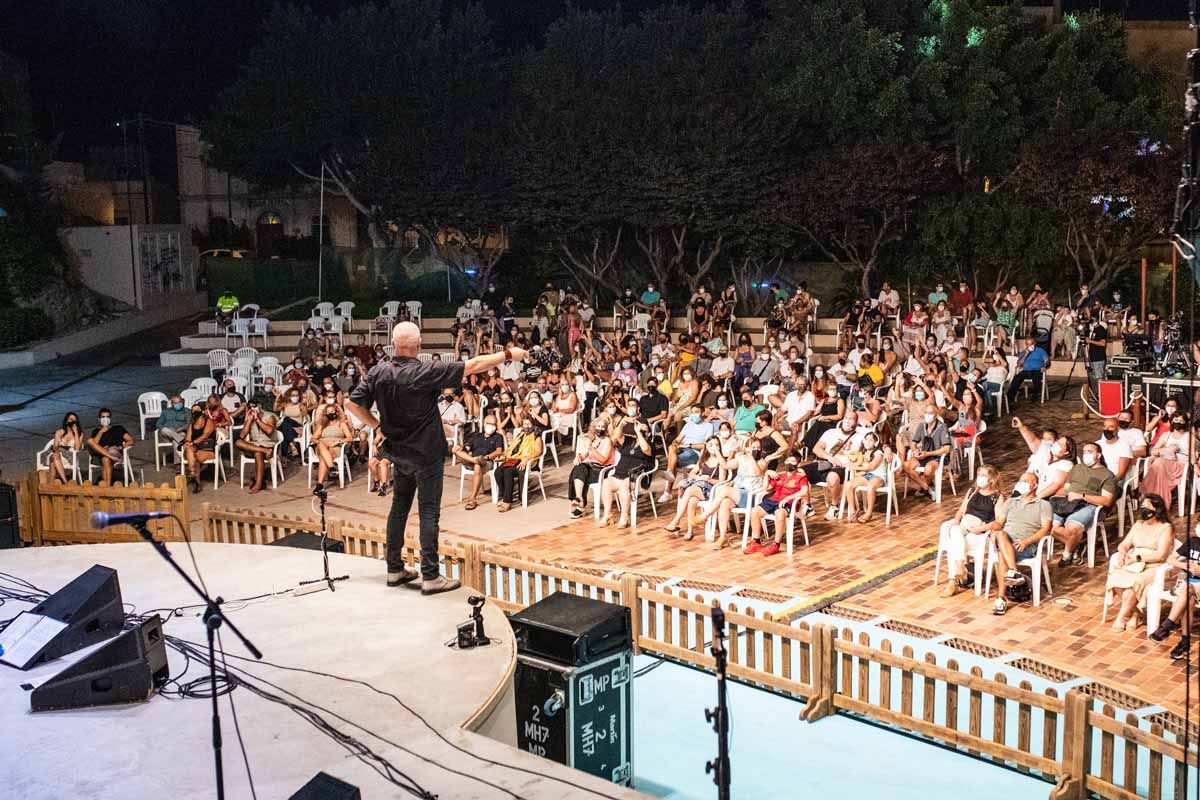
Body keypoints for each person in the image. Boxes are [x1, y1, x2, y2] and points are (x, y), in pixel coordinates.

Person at [345, 321, 526, 595]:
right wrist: (510, 354)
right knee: (428, 512)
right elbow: (474, 365)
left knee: (399, 508)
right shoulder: (424, 370)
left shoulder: (378, 371)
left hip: (399, 452)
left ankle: (394, 569)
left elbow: (351, 403)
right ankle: (430, 575)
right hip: (427, 454)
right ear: (419, 345)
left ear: (393, 344)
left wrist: (376, 426)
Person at [1105, 493, 1174, 632]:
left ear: (1157, 510)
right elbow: (1124, 544)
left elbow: (1161, 555)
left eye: (1147, 508)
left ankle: (1122, 617)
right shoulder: (1138, 525)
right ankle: (1136, 613)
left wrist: (1138, 558)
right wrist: (1123, 552)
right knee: (1115, 578)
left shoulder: (1166, 528)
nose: (1144, 511)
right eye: (1142, 507)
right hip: (1134, 563)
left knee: (1133, 584)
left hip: (1153, 565)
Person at [990, 471, 1053, 615]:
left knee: (1001, 553)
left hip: (1026, 545)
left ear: (1034, 485)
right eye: (1020, 479)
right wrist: (993, 530)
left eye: (1026, 481)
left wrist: (1027, 541)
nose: (1021, 482)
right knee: (1000, 534)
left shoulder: (1043, 505)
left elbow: (1046, 529)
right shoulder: (1011, 502)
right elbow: (999, 523)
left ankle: (1001, 598)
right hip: (1006, 540)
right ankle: (1013, 571)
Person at [939, 465, 1003, 597]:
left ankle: (953, 582)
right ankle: (960, 569)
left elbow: (998, 522)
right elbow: (962, 510)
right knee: (955, 531)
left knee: (954, 545)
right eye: (979, 474)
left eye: (984, 475)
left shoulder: (997, 496)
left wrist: (981, 529)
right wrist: (956, 520)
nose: (980, 478)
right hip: (964, 525)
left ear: (991, 479)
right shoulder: (972, 491)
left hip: (979, 530)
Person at [1050, 442, 1117, 566]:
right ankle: (1078, 544)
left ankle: (1067, 554)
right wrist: (1058, 494)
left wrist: (1082, 496)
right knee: (1051, 527)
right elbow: (1066, 488)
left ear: (1098, 455)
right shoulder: (1077, 468)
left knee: (1072, 528)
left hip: (1087, 504)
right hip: (1068, 502)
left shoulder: (1107, 475)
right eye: (1084, 451)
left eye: (1090, 452)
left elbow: (1107, 500)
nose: (1086, 454)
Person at [1149, 526, 1200, 660]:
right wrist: (1184, 566)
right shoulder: (1193, 541)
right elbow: (1171, 559)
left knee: (1187, 590)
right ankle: (1184, 643)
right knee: (1188, 595)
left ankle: (1167, 626)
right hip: (1190, 588)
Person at [744, 454, 810, 556]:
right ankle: (756, 542)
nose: (789, 463)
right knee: (755, 511)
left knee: (779, 513)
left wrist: (789, 497)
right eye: (787, 460)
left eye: (792, 461)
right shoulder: (780, 475)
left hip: (789, 503)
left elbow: (804, 491)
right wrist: (766, 475)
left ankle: (776, 544)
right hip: (774, 500)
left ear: (797, 464)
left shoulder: (801, 476)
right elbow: (766, 488)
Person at [600, 405, 654, 529]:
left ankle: (624, 516)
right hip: (620, 472)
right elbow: (615, 436)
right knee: (607, 483)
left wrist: (639, 433)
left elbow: (646, 450)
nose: (639, 427)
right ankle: (607, 514)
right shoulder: (628, 441)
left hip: (635, 476)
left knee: (624, 487)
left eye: (642, 426)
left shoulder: (648, 444)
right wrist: (622, 423)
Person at [664, 436, 728, 540]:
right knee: (692, 501)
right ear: (706, 446)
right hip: (699, 488)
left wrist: (709, 480)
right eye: (711, 445)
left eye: (716, 445)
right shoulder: (703, 459)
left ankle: (676, 520)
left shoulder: (721, 462)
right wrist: (699, 477)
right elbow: (692, 473)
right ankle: (690, 531)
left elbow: (722, 481)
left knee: (689, 490)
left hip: (712, 490)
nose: (713, 447)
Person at [1139, 411, 1190, 506]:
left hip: (1181, 466)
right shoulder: (1166, 435)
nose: (1178, 422)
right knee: (1159, 468)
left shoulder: (1189, 436)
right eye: (1176, 420)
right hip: (1165, 465)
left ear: (1185, 423)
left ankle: (1146, 492)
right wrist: (1166, 450)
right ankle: (1158, 502)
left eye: (1181, 421)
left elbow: (1193, 454)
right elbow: (1152, 451)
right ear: (1171, 421)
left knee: (1158, 463)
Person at [567, 418, 616, 518]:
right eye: (598, 426)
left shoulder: (607, 441)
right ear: (594, 428)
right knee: (578, 467)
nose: (600, 428)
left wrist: (592, 449)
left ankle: (579, 504)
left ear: (605, 429)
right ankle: (579, 498)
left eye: (602, 427)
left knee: (579, 473)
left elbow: (603, 460)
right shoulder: (593, 441)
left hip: (602, 470)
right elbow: (584, 455)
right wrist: (578, 458)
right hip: (591, 468)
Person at [493, 418, 544, 512]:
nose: (527, 426)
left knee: (508, 472)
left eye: (529, 424)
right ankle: (507, 495)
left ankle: (507, 501)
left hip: (526, 461)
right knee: (498, 472)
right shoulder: (520, 435)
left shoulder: (536, 436)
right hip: (513, 460)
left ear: (533, 425)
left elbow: (539, 451)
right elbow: (510, 449)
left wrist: (526, 459)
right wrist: (503, 456)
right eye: (525, 424)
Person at [662, 409, 715, 500]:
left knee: (673, 460)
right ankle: (670, 473)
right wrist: (675, 443)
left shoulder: (708, 426)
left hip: (695, 452)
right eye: (692, 412)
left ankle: (668, 490)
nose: (694, 415)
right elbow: (678, 439)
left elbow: (706, 445)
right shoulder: (688, 425)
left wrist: (688, 445)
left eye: (696, 412)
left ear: (702, 413)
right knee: (671, 447)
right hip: (681, 449)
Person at [901, 404, 951, 499]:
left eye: (930, 413)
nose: (927, 415)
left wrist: (928, 454)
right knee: (906, 465)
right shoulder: (922, 426)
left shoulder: (942, 427)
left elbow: (947, 448)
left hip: (937, 456)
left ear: (936, 415)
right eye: (926, 413)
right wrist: (915, 450)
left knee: (928, 470)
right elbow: (913, 442)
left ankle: (924, 488)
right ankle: (927, 488)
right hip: (924, 455)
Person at [235, 400, 279, 493]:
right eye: (250, 407)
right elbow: (242, 435)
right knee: (238, 442)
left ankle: (258, 484)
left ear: (259, 406)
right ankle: (263, 450)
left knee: (258, 453)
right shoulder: (249, 417)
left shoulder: (270, 416)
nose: (252, 409)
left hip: (268, 444)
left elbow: (269, 431)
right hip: (255, 445)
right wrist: (249, 421)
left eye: (254, 407)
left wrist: (258, 420)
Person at [87, 409, 133, 487]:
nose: (105, 419)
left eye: (107, 417)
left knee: (107, 456)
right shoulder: (96, 431)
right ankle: (108, 488)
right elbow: (94, 444)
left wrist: (121, 447)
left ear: (110, 419)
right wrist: (101, 432)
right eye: (103, 417)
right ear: (99, 419)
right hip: (100, 455)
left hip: (114, 452)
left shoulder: (118, 428)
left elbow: (130, 441)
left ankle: (106, 488)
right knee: (90, 441)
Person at [1006, 338, 1049, 408]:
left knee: (1036, 378)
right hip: (1026, 370)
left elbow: (1047, 361)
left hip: (1037, 370)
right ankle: (1010, 397)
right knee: (1017, 378)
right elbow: (1019, 364)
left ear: (1034, 344)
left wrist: (1044, 366)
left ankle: (1035, 395)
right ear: (1026, 344)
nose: (1029, 346)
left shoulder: (1040, 351)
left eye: (1031, 344)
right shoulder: (1024, 352)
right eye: (1027, 344)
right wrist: (1026, 354)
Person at [183, 404, 216, 493]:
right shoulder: (192, 425)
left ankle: (196, 481)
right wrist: (187, 442)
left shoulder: (209, 422)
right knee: (189, 449)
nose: (195, 412)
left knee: (195, 456)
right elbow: (188, 438)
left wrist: (193, 442)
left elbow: (205, 435)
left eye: (197, 409)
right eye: (193, 410)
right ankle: (193, 472)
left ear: (202, 410)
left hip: (207, 449)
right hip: (194, 449)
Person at [48, 412, 85, 483]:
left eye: (75, 420)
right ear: (66, 421)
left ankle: (51, 485)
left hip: (71, 457)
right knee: (55, 456)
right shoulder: (59, 432)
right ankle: (66, 482)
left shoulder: (80, 434)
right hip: (57, 454)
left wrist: (76, 432)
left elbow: (77, 448)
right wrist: (58, 448)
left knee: (53, 464)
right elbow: (55, 448)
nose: (73, 422)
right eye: (71, 419)